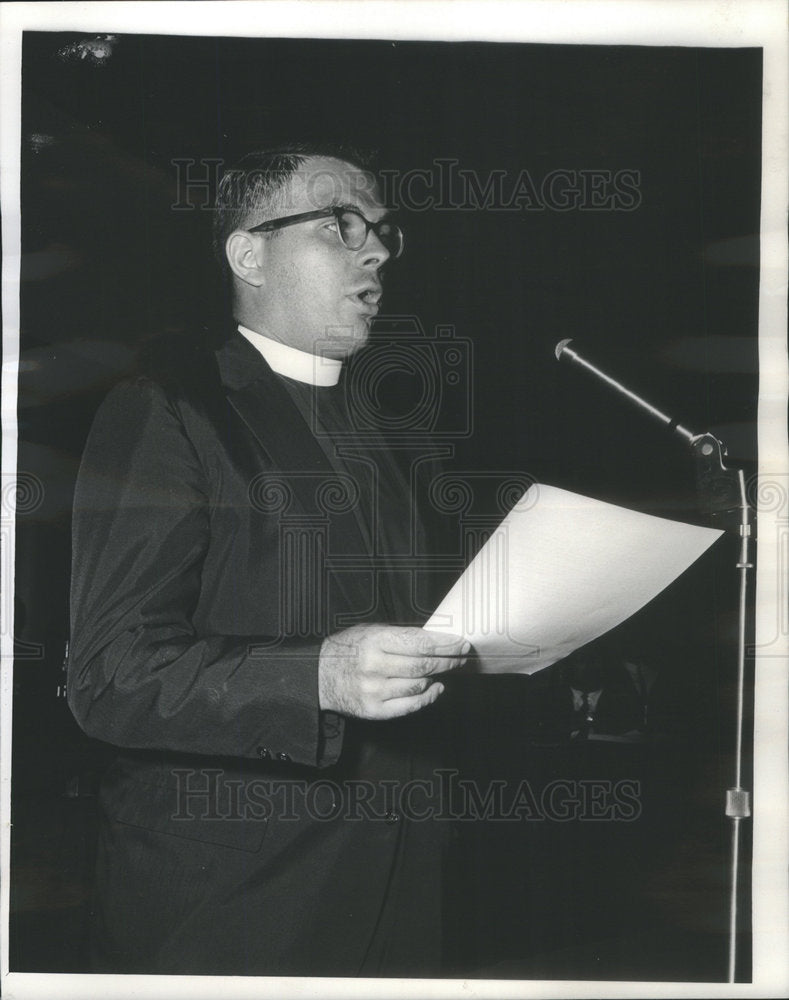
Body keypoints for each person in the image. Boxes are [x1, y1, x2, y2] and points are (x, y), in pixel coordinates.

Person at [67, 145, 470, 977]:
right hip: (233, 907)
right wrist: (315, 676)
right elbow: (107, 675)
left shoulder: (390, 433)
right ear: (248, 254)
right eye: (340, 225)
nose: (376, 251)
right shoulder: (165, 409)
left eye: (383, 231)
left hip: (399, 891)